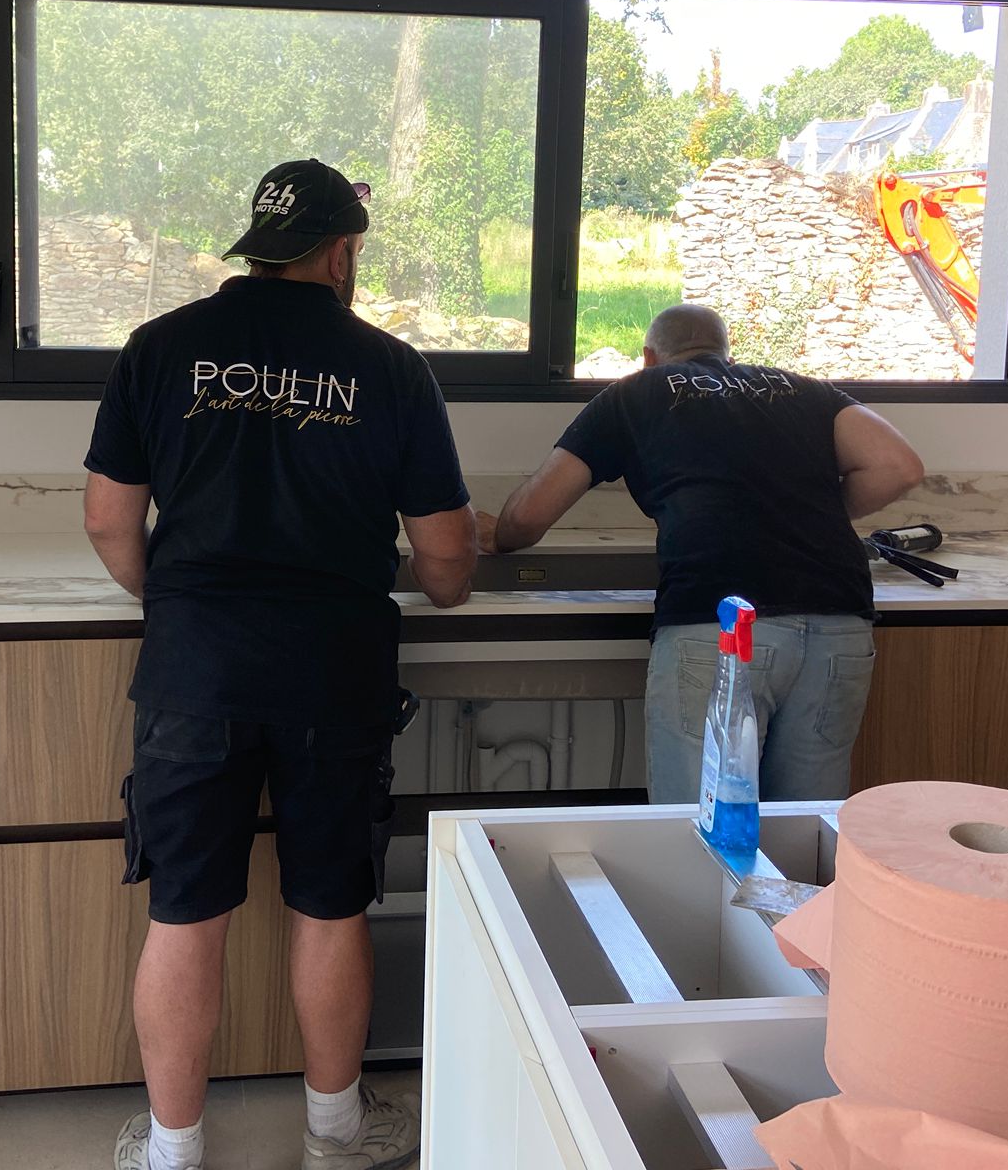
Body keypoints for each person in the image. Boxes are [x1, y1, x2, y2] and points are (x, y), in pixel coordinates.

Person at [84, 158, 476, 1170]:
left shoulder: (161, 347)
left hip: (194, 670)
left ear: (257, 246)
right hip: (332, 673)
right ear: (341, 253)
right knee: (331, 905)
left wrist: (174, 603)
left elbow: (108, 521)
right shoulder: (390, 369)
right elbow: (444, 554)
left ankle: (173, 1151)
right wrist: (446, 588)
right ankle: (335, 1136)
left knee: (184, 912)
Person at [480, 303, 924, 805]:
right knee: (807, 830)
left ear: (649, 357)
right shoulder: (803, 389)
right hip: (839, 626)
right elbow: (900, 466)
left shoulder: (634, 393)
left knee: (699, 831)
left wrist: (497, 537)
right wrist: (814, 514)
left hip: (721, 626)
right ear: (727, 355)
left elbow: (529, 517)